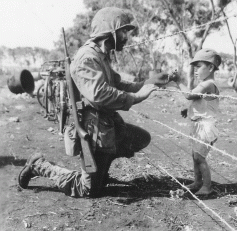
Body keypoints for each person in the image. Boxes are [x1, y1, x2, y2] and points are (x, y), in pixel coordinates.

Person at [18, 7, 170, 198]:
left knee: (139, 138)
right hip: (93, 129)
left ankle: (100, 171)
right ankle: (38, 166)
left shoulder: (101, 55)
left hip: (106, 124)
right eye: (123, 31)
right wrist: (138, 97)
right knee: (87, 190)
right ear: (110, 31)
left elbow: (117, 82)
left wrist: (146, 83)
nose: (126, 37)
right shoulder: (87, 57)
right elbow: (99, 94)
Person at [172, 48, 221, 196]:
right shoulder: (204, 84)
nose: (195, 70)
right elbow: (200, 102)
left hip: (205, 128)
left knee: (200, 157)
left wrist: (178, 81)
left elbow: (189, 95)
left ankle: (206, 186)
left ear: (210, 67)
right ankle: (198, 182)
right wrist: (189, 110)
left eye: (198, 66)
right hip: (198, 125)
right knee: (195, 156)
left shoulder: (208, 84)